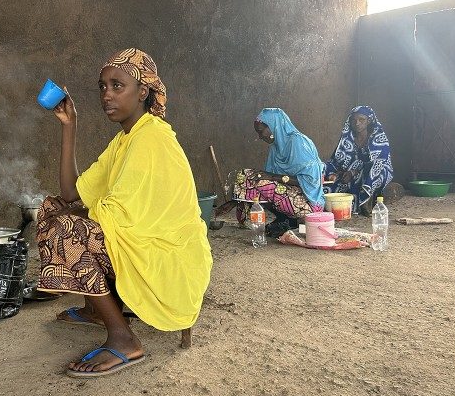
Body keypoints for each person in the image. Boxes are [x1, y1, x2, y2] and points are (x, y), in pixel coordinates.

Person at [36, 48, 212, 377]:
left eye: (118, 86)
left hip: (168, 256)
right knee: (53, 210)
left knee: (66, 230)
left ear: (142, 92)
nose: (107, 95)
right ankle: (96, 309)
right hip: (140, 242)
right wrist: (69, 126)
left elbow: (116, 214)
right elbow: (73, 193)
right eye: (102, 87)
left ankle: (124, 338)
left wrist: (66, 219)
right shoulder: (125, 139)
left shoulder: (152, 139)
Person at [223, 108, 325, 238]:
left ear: (274, 125)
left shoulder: (298, 142)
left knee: (261, 183)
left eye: (261, 132)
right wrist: (235, 200)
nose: (260, 137)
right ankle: (287, 220)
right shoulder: (276, 146)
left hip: (309, 203)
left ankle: (294, 219)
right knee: (247, 175)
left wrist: (273, 176)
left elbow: (312, 181)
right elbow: (265, 179)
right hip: (291, 195)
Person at [324, 105, 393, 216]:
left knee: (370, 170)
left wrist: (353, 172)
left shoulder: (378, 138)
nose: (357, 123)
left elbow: (379, 162)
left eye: (362, 120)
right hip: (350, 172)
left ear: (369, 121)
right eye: (354, 120)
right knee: (326, 171)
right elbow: (336, 160)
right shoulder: (347, 139)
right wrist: (336, 173)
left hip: (377, 171)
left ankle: (366, 199)